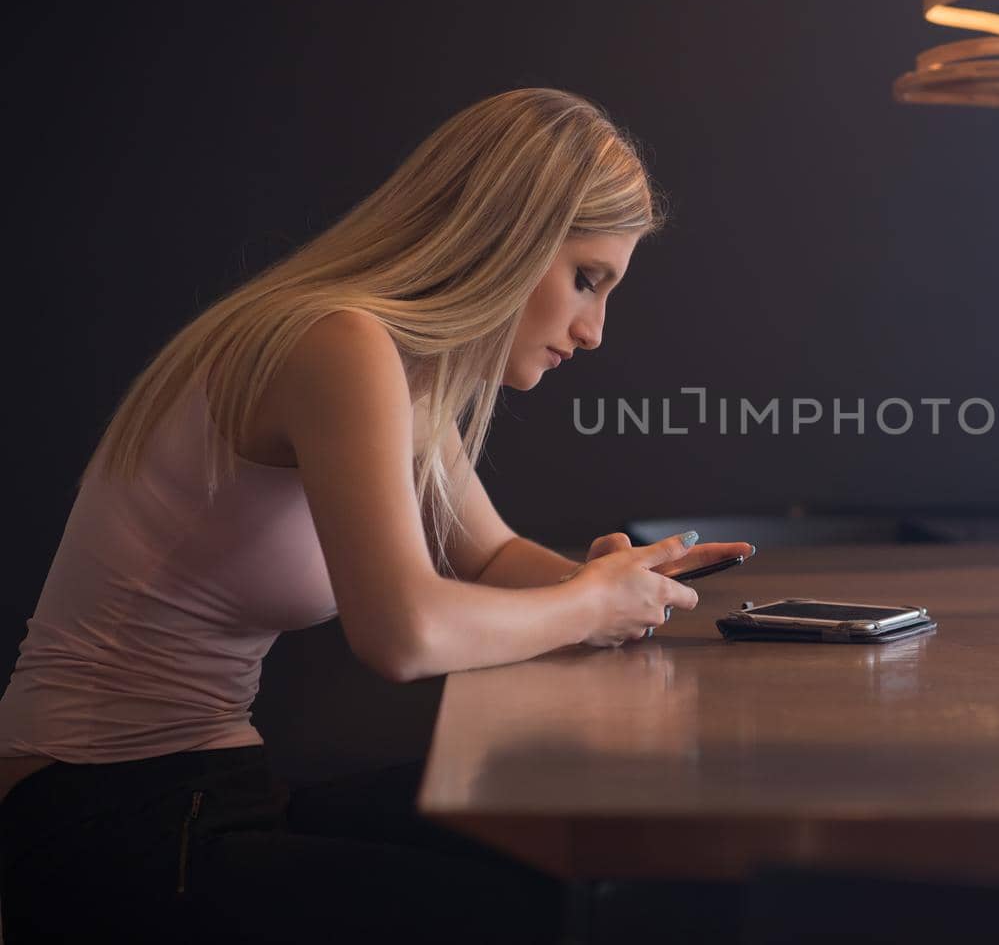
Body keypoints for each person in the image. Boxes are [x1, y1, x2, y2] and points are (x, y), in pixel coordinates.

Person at [0, 87, 754, 943]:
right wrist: (587, 603)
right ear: (504, 235)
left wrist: (632, 592)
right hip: (97, 820)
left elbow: (492, 553)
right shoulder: (336, 342)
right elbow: (403, 634)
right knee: (552, 909)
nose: (594, 331)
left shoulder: (402, 364)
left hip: (200, 790)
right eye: (587, 279)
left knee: (584, 846)